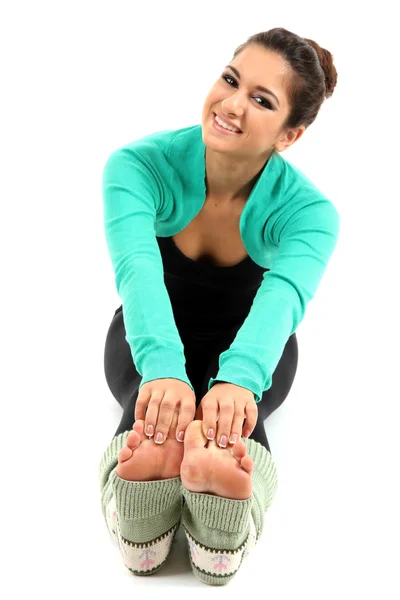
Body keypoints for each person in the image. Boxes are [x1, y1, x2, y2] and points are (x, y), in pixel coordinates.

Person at [98, 27, 340, 585]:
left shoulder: (311, 211)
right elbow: (137, 272)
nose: (232, 103)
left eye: (262, 100)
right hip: (147, 336)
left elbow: (281, 302)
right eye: (231, 80)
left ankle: (226, 524)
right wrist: (161, 370)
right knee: (149, 410)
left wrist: (238, 383)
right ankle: (139, 500)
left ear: (290, 134)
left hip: (257, 348)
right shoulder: (137, 165)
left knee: (230, 430)